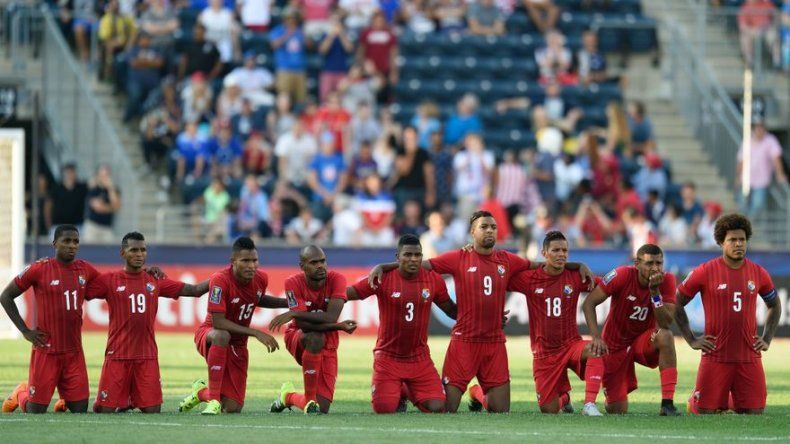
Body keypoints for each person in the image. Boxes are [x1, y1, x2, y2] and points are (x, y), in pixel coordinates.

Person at [368, 211, 593, 413]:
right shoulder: (458, 257)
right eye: (484, 227)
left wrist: (577, 265)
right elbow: (417, 264)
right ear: (472, 232)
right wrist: (383, 266)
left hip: (494, 343)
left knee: (500, 411)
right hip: (464, 342)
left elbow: (544, 265)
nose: (490, 231)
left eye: (493, 227)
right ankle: (405, 390)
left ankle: (476, 393)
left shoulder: (507, 260)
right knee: (446, 408)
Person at [2, 226, 163, 413]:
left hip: (74, 352)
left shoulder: (84, 269)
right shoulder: (40, 268)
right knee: (35, 410)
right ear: (55, 244)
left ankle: (64, 401)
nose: (72, 246)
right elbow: (6, 296)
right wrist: (25, 331)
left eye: (75, 242)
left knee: (80, 409)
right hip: (46, 349)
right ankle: (20, 393)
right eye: (67, 241)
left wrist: (145, 271)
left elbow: (114, 282)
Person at [86, 232, 208, 413]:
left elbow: (195, 290)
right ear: (122, 253)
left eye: (143, 250)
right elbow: (82, 290)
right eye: (133, 250)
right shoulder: (109, 280)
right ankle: (123, 400)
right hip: (117, 355)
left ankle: (127, 400)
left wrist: (224, 277)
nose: (139, 254)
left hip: (147, 356)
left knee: (153, 410)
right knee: (104, 411)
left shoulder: (154, 280)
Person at [676, 214, 782, 415]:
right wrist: (691, 339)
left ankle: (728, 399)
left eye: (742, 240)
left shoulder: (759, 273)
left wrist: (767, 338)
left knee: (754, 412)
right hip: (715, 356)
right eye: (732, 240)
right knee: (704, 412)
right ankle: (698, 398)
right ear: (720, 242)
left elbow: (775, 305)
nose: (738, 244)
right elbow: (677, 303)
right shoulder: (705, 271)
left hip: (749, 357)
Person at [348, 234, 458, 413]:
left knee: (438, 408)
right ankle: (398, 388)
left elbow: (452, 311)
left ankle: (405, 389)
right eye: (407, 255)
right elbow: (350, 293)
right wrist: (319, 297)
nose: (413, 259)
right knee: (384, 409)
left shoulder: (434, 279)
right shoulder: (383, 278)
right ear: (397, 257)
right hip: (388, 358)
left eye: (417, 255)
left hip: (419, 358)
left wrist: (486, 317)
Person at [178, 237, 286, 415]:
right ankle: (212, 401)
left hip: (238, 344)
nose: (251, 265)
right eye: (245, 261)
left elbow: (257, 298)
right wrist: (256, 333)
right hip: (211, 335)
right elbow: (218, 322)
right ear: (233, 262)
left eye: (254, 260)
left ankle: (201, 392)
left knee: (233, 408)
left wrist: (287, 304)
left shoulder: (261, 278)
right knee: (222, 335)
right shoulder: (220, 280)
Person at [504, 231, 604, 416]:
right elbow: (498, 279)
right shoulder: (529, 278)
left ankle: (589, 404)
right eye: (556, 250)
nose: (561, 254)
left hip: (571, 344)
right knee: (548, 409)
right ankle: (565, 397)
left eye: (565, 250)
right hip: (544, 354)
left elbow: (607, 286)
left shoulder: (576, 276)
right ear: (544, 253)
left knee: (595, 349)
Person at [582, 244, 681, 416]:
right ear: (637, 264)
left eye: (659, 263)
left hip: (642, 341)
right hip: (614, 346)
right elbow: (589, 303)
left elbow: (665, 322)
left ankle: (667, 404)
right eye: (650, 264)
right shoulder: (621, 275)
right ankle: (610, 394)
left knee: (665, 336)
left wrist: (655, 292)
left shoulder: (667, 280)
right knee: (617, 409)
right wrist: (596, 337)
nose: (655, 268)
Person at [268, 246, 357, 414]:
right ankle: (309, 399)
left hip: (328, 340)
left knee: (322, 408)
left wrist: (295, 312)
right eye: (314, 262)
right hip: (298, 336)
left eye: (323, 261)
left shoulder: (337, 279)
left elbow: (331, 317)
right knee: (315, 337)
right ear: (302, 266)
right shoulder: (292, 282)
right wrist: (339, 326)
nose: (320, 266)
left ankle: (288, 397)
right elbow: (304, 325)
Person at [736, 119, 788, 217]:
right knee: (741, 203)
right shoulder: (748, 140)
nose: (760, 130)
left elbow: (776, 158)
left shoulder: (770, 140)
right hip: (746, 180)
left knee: (758, 204)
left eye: (761, 128)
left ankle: (749, 223)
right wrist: (738, 177)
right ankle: (744, 223)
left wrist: (780, 174)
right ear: (754, 129)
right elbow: (741, 160)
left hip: (761, 180)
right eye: (757, 128)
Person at [84, 164, 122, 243]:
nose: (105, 178)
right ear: (98, 176)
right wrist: (111, 208)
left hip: (107, 227)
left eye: (107, 175)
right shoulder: (94, 189)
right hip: (93, 226)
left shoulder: (114, 190)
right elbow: (98, 208)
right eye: (102, 175)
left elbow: (117, 206)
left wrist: (110, 188)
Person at [50, 164, 88, 231]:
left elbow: (93, 183)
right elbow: (48, 206)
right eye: (68, 173)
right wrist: (49, 225)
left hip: (77, 226)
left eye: (72, 172)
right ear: (64, 174)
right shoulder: (56, 188)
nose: (70, 175)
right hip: (59, 226)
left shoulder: (82, 187)